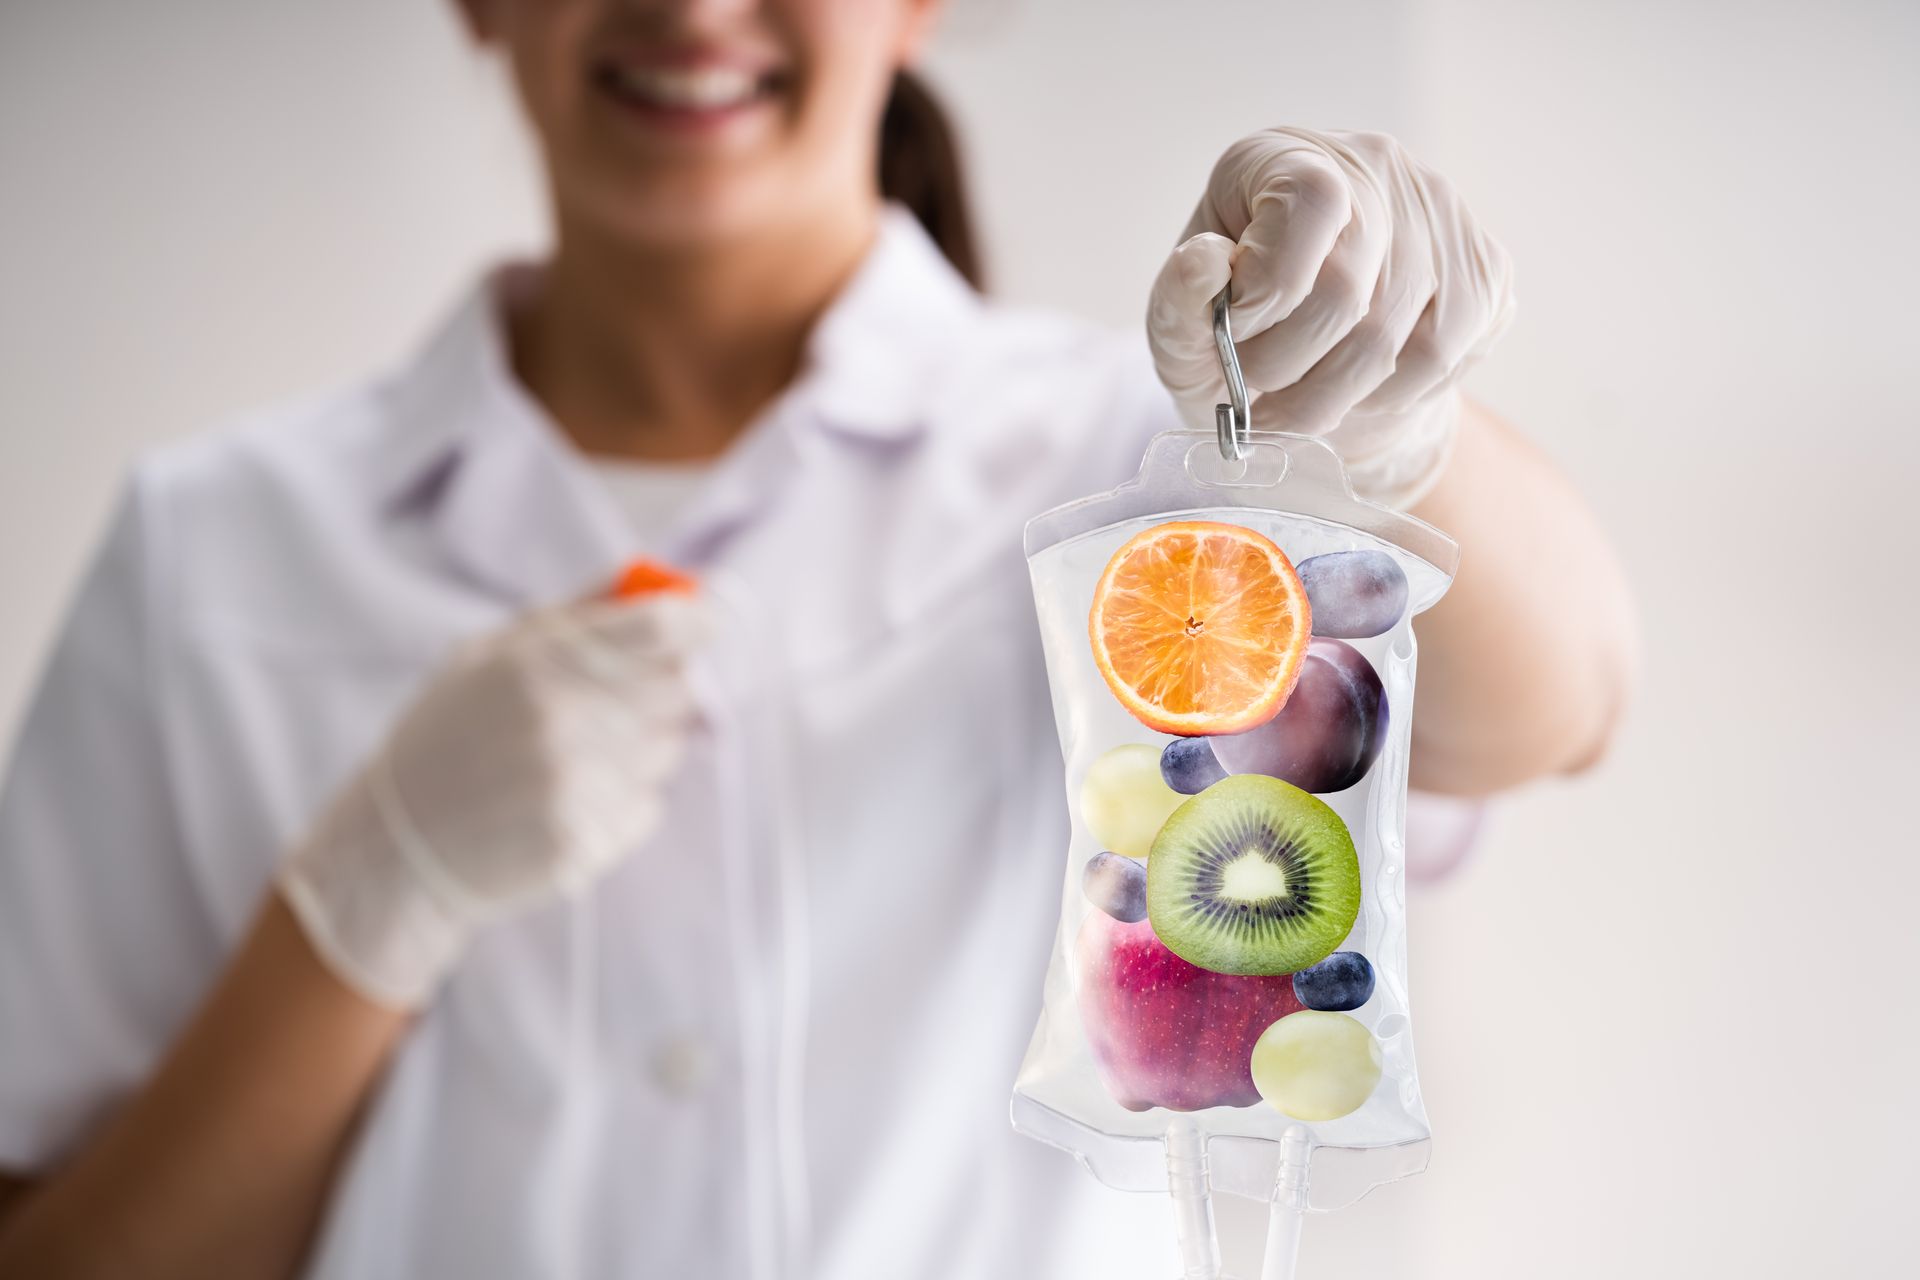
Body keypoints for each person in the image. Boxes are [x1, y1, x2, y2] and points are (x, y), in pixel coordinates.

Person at [0, 1, 1636, 1276]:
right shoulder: (216, 546)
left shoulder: (1137, 470)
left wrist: (1394, 438)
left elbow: (1564, 703)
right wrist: (365, 907)